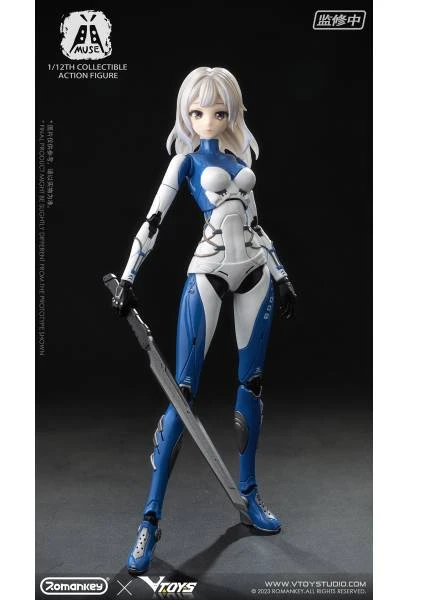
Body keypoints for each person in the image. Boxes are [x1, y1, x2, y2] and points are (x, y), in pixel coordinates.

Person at [112, 66, 297, 575]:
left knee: (251, 384)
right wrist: (128, 276)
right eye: (197, 112)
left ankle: (249, 497)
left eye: (218, 111)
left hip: (255, 272)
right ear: (187, 115)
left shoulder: (240, 159)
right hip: (209, 270)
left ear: (232, 112)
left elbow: (256, 225)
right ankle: (150, 518)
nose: (208, 121)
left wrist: (281, 274)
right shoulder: (186, 162)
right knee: (183, 392)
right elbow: (153, 220)